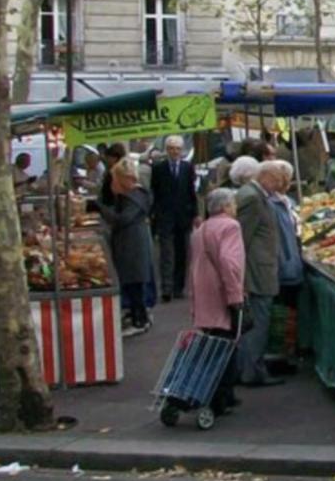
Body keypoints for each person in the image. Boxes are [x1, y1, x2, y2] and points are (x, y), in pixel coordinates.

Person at [187, 188, 246, 415]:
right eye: (233, 204)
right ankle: (221, 397)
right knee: (227, 345)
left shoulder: (201, 228)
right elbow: (229, 262)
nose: (235, 208)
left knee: (213, 343)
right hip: (221, 292)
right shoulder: (231, 227)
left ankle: (221, 395)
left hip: (202, 291)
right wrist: (236, 295)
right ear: (225, 206)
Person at [235, 161, 282, 387]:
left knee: (257, 321)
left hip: (259, 269)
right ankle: (252, 371)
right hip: (257, 272)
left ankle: (251, 368)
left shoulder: (254, 195)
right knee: (258, 322)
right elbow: (241, 239)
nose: (279, 187)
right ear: (266, 176)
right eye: (277, 181)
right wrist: (241, 278)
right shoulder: (252, 198)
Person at [99, 158, 154, 336]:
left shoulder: (135, 196)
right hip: (129, 241)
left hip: (133, 243)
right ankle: (136, 313)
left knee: (134, 280)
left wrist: (101, 209)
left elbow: (122, 220)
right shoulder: (130, 196)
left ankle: (140, 319)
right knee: (131, 281)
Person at [150, 135, 198, 303]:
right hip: (165, 216)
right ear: (166, 150)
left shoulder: (187, 168)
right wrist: (153, 214)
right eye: (171, 148)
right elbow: (154, 193)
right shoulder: (158, 168)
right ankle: (166, 288)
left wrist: (195, 214)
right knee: (166, 253)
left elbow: (191, 192)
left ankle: (179, 287)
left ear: (182, 150)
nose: (174, 152)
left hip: (183, 217)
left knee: (182, 253)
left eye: (177, 149)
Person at [266, 160, 304, 367]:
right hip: (284, 267)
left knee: (287, 309)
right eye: (283, 179)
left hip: (289, 265)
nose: (286, 182)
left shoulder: (284, 201)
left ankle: (284, 352)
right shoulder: (271, 205)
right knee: (283, 311)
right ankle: (279, 355)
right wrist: (284, 261)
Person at [99, 143, 128, 208]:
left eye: (108, 158)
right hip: (114, 204)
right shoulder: (120, 168)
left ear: (114, 158)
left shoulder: (115, 171)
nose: (106, 160)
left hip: (113, 205)